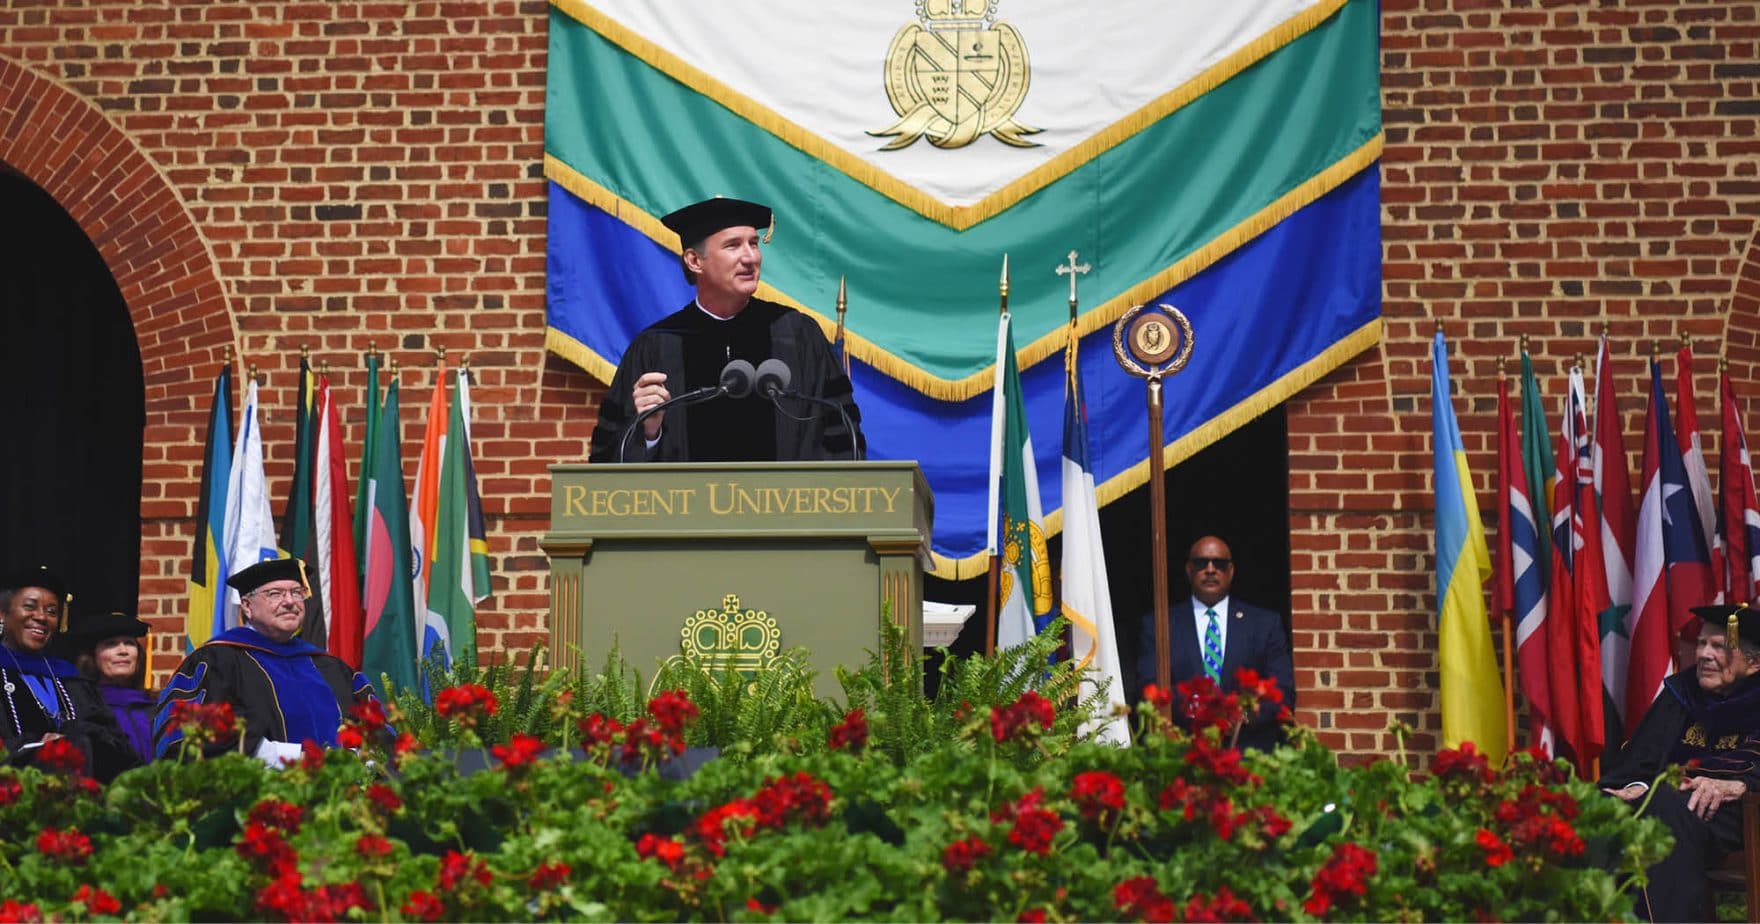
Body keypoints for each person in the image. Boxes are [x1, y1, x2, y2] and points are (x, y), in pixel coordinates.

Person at [587, 197, 864, 463]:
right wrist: (649, 433)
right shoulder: (657, 345)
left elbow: (842, 439)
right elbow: (609, 460)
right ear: (695, 261)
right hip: (686, 510)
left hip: (785, 509)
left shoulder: (796, 334)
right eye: (733, 246)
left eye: (754, 244)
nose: (750, 257)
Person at [1600, 604, 1760, 922]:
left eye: (1720, 645)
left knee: (1665, 808)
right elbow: (1637, 762)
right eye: (1701, 643)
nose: (1704, 654)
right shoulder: (1682, 693)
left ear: (1754, 662)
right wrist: (1637, 787)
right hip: (1670, 804)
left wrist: (1743, 784)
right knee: (1597, 805)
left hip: (1740, 813)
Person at [154, 559, 380, 764]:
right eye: (275, 594)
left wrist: (358, 760)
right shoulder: (217, 661)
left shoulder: (331, 667)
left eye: (297, 592)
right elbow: (191, 737)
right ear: (246, 606)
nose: (290, 602)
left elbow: (377, 732)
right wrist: (296, 758)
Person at [1135, 535, 1295, 751]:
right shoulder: (1159, 625)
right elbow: (1148, 688)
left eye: (1219, 564)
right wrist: (1203, 716)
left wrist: (1240, 717)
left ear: (1230, 572)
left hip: (1249, 756)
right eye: (1201, 563)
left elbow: (1283, 692)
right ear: (1189, 570)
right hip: (1182, 753)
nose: (1210, 570)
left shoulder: (1265, 624)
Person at [0, 566, 138, 781]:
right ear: (3, 613)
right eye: (29, 607)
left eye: (51, 611)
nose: (41, 617)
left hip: (80, 801)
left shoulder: (71, 679)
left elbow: (117, 744)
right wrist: (38, 748)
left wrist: (74, 736)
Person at [73, 610, 156, 765]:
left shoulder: (155, 707)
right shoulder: (84, 708)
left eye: (129, 643)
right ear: (93, 655)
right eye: (111, 644)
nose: (123, 651)